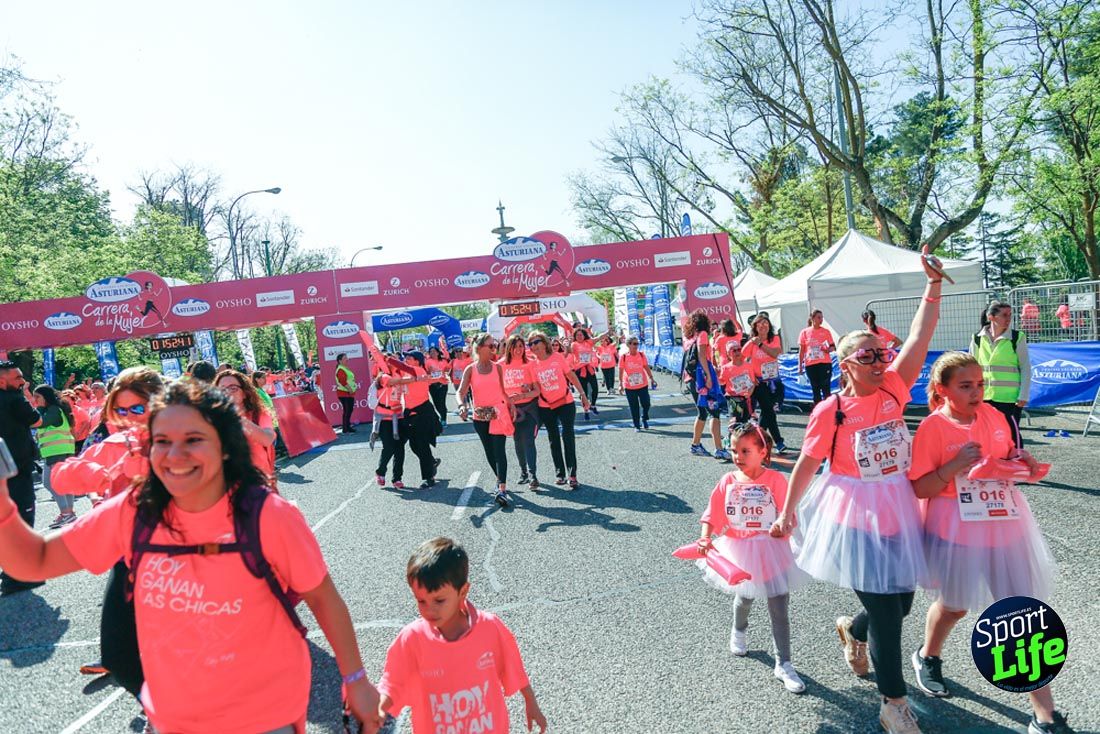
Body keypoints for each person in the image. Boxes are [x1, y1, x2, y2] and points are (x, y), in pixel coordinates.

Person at [0, 380, 384, 733]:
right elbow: (32, 561)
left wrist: (355, 681)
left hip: (264, 716)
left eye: (194, 439)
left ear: (225, 445)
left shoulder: (268, 515)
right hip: (171, 719)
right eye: (162, 440)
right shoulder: (135, 509)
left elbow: (323, 597)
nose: (175, 455)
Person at [772, 247, 944, 734]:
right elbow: (808, 461)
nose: (878, 360)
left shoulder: (894, 386)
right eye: (866, 355)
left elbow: (919, 334)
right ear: (846, 364)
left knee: (901, 603)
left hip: (900, 504)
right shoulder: (831, 410)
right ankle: (894, 704)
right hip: (855, 511)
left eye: (880, 353)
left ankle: (852, 629)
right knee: (890, 614)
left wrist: (930, 285)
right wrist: (787, 513)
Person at [908, 352, 1072, 734]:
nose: (976, 392)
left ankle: (1044, 716)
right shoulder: (933, 428)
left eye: (980, 384)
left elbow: (1005, 458)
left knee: (1021, 617)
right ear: (942, 390)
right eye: (965, 386)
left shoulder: (996, 417)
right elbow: (920, 486)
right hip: (956, 526)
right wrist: (953, 467)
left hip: (1004, 521)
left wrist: (1022, 460)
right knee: (954, 606)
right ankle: (927, 656)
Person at [51, 367, 166, 689]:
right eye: (120, 410)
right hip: (128, 554)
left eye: (138, 408)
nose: (128, 417)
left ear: (159, 403)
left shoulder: (184, 436)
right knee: (120, 652)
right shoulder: (115, 443)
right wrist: (93, 473)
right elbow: (62, 475)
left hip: (183, 555)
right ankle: (159, 710)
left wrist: (145, 466)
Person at [376, 537, 547, 733]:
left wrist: (531, 702)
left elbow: (513, 666)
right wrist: (380, 707)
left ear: (463, 591)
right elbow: (393, 682)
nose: (429, 610)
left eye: (439, 600)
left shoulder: (489, 628)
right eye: (421, 601)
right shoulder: (412, 639)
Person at [696, 423, 809, 694]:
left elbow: (789, 514)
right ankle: (738, 630)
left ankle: (784, 663)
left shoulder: (776, 481)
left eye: (746, 450)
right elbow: (712, 512)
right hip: (741, 548)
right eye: (735, 450)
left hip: (772, 548)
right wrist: (705, 536)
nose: (738, 456)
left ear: (763, 451)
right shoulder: (728, 481)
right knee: (744, 597)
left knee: (779, 605)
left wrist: (786, 527)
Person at [0, 360, 44, 596]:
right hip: (17, 470)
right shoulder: (15, 399)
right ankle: (15, 575)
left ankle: (12, 572)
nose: (22, 382)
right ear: (2, 380)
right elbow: (37, 420)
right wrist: (25, 395)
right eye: (17, 378)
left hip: (4, 471)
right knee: (22, 521)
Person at [457, 334, 516, 507]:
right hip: (480, 415)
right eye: (490, 346)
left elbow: (502, 390)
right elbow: (461, 392)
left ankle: (502, 489)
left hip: (498, 413)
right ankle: (499, 480)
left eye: (494, 345)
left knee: (499, 450)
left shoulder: (497, 368)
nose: (494, 348)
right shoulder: (471, 369)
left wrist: (511, 404)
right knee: (490, 452)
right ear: (480, 348)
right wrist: (462, 406)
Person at [528, 332, 590, 488]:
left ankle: (572, 474)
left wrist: (583, 395)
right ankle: (560, 474)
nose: (533, 346)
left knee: (568, 436)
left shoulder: (557, 357)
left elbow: (571, 376)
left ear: (544, 342)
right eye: (530, 344)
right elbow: (535, 387)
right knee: (553, 439)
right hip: (546, 406)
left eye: (536, 342)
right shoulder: (532, 365)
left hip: (565, 402)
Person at [969, 301, 1030, 448]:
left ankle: (1017, 463)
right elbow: (971, 368)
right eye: (1004, 315)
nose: (1008, 318)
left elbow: (1026, 367)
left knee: (1012, 434)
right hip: (984, 397)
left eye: (1010, 315)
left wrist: (1024, 395)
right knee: (985, 433)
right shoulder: (977, 338)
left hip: (1010, 398)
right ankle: (991, 465)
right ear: (991, 317)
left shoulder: (1017, 337)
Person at [216, 370, 278, 491]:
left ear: (245, 393)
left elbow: (268, 439)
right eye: (222, 389)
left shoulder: (258, 415)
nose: (227, 393)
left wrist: (236, 416)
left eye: (233, 388)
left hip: (259, 484)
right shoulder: (213, 420)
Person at [31, 385, 79, 528]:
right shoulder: (55, 409)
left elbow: (39, 423)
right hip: (60, 450)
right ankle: (69, 513)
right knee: (64, 483)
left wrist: (37, 410)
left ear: (46, 397)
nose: (35, 400)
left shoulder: (53, 410)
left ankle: (66, 513)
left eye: (37, 397)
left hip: (56, 451)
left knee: (50, 483)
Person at [684, 309, 728, 460]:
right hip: (702, 378)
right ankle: (719, 449)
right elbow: (703, 357)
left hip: (692, 379)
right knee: (714, 411)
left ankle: (696, 445)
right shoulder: (702, 335)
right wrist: (709, 376)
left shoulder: (690, 338)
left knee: (702, 412)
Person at [499, 334, 542, 489]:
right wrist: (509, 401)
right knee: (517, 441)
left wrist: (524, 394)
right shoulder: (500, 365)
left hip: (529, 408)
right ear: (509, 348)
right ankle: (523, 471)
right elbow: (497, 389)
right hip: (510, 410)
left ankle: (532, 475)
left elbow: (537, 391)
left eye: (521, 346)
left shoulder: (529, 364)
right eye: (515, 346)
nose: (518, 349)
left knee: (529, 441)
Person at [398, 351, 443, 489]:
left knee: (422, 445)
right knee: (414, 445)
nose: (406, 359)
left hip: (422, 412)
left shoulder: (417, 370)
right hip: (410, 412)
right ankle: (431, 462)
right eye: (406, 357)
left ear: (417, 361)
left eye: (409, 358)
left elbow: (399, 368)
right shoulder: (408, 372)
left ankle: (429, 477)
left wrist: (387, 359)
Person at [743, 313, 786, 453]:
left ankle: (757, 441)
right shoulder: (752, 341)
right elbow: (743, 357)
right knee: (769, 411)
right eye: (760, 323)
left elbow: (775, 353)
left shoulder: (774, 339)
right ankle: (778, 441)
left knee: (767, 413)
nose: (763, 326)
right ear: (755, 326)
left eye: (765, 323)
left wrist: (760, 344)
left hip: (774, 382)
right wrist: (751, 342)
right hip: (759, 383)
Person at [372, 368, 409, 489]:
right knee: (389, 447)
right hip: (384, 419)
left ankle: (397, 478)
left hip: (399, 417)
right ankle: (380, 472)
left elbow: (406, 391)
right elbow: (394, 381)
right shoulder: (384, 378)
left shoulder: (399, 376)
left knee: (400, 448)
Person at [618, 337, 657, 431]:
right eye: (634, 344)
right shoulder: (623, 357)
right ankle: (636, 425)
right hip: (629, 386)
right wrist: (620, 384)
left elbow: (646, 367)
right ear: (628, 345)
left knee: (646, 403)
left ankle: (644, 417)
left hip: (642, 384)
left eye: (637, 344)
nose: (636, 346)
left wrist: (652, 378)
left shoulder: (641, 355)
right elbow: (620, 370)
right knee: (633, 406)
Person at [798, 309, 835, 405]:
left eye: (822, 317)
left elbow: (833, 347)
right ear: (812, 318)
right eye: (819, 317)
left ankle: (829, 409)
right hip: (811, 364)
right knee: (815, 388)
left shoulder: (826, 332)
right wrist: (800, 366)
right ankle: (818, 411)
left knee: (826, 388)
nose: (821, 319)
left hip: (825, 363)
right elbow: (801, 351)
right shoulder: (804, 332)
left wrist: (828, 350)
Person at [718, 341, 755, 426]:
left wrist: (750, 392)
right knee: (735, 421)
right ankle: (731, 437)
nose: (737, 352)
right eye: (734, 351)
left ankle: (742, 438)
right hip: (733, 398)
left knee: (745, 422)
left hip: (746, 397)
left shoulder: (748, 366)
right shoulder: (726, 368)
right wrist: (717, 374)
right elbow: (721, 382)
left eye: (739, 349)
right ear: (728, 354)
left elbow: (752, 382)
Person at [570, 326, 601, 419]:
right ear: (575, 336)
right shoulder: (574, 344)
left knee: (595, 388)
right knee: (584, 392)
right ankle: (586, 410)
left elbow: (598, 338)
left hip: (590, 368)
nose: (580, 336)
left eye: (581, 335)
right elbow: (569, 352)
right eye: (578, 335)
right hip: (580, 370)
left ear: (584, 335)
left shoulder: (588, 342)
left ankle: (593, 405)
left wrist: (607, 332)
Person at [425, 342, 452, 428]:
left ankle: (443, 419)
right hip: (432, 384)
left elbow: (448, 369)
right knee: (436, 403)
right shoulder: (428, 361)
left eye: (434, 351)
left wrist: (447, 373)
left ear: (438, 352)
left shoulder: (443, 360)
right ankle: (442, 414)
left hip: (442, 383)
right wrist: (429, 373)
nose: (433, 353)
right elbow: (425, 372)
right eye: (431, 352)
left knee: (442, 402)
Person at [334, 352, 358, 434]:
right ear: (340, 361)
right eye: (345, 358)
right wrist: (350, 389)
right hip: (344, 393)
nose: (347, 359)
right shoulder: (341, 369)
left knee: (348, 410)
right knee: (347, 410)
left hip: (348, 392)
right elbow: (342, 381)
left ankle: (347, 427)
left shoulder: (344, 368)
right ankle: (345, 428)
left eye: (347, 358)